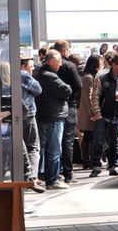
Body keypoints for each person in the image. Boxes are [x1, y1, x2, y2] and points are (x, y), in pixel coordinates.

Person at [34, 49, 72, 190]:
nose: (60, 65)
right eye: (58, 62)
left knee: (43, 148)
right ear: (51, 61)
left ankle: (42, 177)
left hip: (45, 115)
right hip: (54, 116)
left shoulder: (41, 75)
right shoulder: (50, 76)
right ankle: (52, 180)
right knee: (54, 149)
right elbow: (67, 90)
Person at [90, 54, 118, 177]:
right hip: (103, 114)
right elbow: (94, 97)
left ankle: (114, 165)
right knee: (99, 141)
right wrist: (97, 113)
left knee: (115, 142)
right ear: (114, 65)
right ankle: (96, 166)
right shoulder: (102, 78)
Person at [52, 40, 82, 184]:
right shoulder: (70, 66)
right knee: (68, 140)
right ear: (65, 51)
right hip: (69, 106)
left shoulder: (48, 67)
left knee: (54, 141)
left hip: (54, 107)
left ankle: (54, 172)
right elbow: (78, 85)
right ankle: (68, 173)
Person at [20, 57, 44, 191]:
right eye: (31, 66)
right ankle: (32, 177)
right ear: (23, 66)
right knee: (33, 147)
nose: (33, 68)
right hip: (28, 114)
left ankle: (26, 176)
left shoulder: (6, 74)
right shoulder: (24, 75)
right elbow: (38, 90)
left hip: (15, 116)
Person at [78, 54, 102, 172]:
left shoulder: (92, 76)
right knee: (89, 137)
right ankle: (87, 160)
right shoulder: (88, 78)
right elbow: (87, 97)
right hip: (87, 113)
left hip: (88, 111)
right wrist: (92, 113)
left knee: (88, 137)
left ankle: (88, 160)